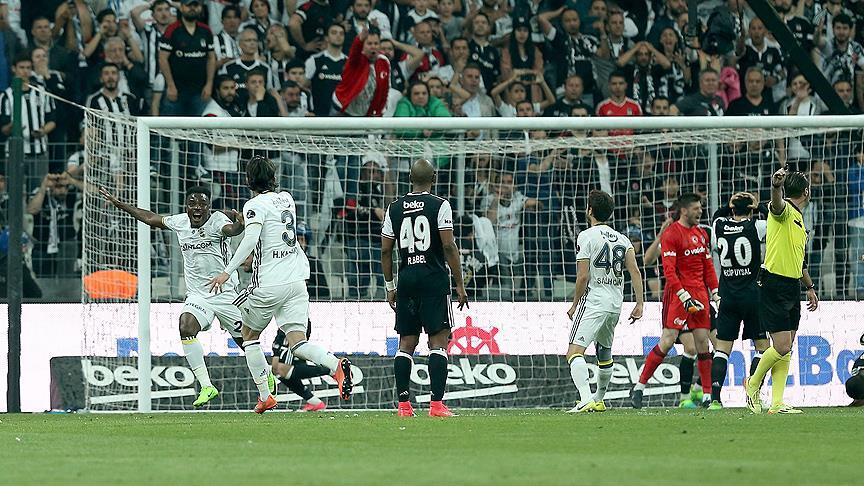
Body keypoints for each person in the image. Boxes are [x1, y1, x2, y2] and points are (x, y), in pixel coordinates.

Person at [208, 156, 352, 413]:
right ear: (274, 178)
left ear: (248, 180)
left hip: (269, 283)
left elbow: (250, 240)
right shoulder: (287, 199)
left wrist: (227, 272)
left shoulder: (253, 205)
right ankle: (335, 366)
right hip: (296, 281)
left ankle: (265, 396)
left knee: (248, 335)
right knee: (298, 343)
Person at [99, 185, 260, 408]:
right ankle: (207, 386)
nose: (197, 208)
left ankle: (266, 378)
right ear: (186, 207)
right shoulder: (180, 222)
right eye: (192, 204)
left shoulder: (217, 221)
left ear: (209, 207)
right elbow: (150, 218)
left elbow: (231, 230)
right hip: (198, 295)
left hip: (225, 293)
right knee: (186, 326)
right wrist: (120, 205)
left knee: (248, 342)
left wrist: (240, 225)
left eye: (202, 204)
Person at [381, 159, 469, 418]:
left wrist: (390, 286)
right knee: (438, 342)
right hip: (433, 280)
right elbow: (448, 245)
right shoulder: (440, 205)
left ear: (409, 178)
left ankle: (403, 405)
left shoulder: (394, 208)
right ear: (435, 178)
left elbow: (385, 250)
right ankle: (436, 405)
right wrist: (460, 283)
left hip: (407, 279)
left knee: (406, 343)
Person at [631, 193, 720, 409]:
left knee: (702, 343)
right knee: (668, 340)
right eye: (696, 208)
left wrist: (716, 293)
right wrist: (683, 296)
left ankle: (706, 395)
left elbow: (708, 268)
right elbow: (669, 271)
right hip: (677, 296)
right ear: (684, 210)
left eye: (701, 208)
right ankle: (640, 387)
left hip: (700, 295)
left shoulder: (701, 234)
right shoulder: (671, 234)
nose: (700, 211)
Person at [745, 168, 818, 414]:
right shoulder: (784, 210)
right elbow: (776, 205)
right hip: (774, 283)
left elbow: (800, 261)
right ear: (806, 192)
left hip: (792, 285)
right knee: (782, 346)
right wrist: (776, 187)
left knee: (787, 346)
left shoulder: (799, 220)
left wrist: (810, 287)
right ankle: (753, 384)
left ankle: (777, 403)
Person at [565, 190, 644, 413]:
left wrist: (574, 304)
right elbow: (635, 271)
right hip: (615, 303)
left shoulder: (586, 236)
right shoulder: (623, 239)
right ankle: (599, 399)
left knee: (574, 352)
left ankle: (585, 398)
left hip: (594, 300)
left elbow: (583, 276)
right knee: (604, 352)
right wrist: (640, 303)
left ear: (590, 210)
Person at [708, 192, 770, 410]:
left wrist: (730, 204)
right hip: (752, 297)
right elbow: (771, 218)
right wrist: (758, 205)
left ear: (732, 209)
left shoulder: (719, 227)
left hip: (728, 297)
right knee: (763, 348)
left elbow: (717, 215)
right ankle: (753, 393)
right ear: (750, 210)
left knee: (722, 350)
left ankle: (715, 399)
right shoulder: (756, 227)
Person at [158, 0, 215, 116]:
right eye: (189, 5)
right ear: (182, 7)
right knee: (170, 126)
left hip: (200, 92)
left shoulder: (206, 31)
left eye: (196, 5)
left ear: (200, 8)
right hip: (176, 91)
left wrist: (209, 84)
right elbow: (162, 59)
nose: (192, 8)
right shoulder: (172, 30)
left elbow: (211, 58)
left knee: (197, 127)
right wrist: (170, 85)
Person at [333, 28, 389, 117]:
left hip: (364, 112)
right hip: (342, 108)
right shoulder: (356, 60)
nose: (373, 47)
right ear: (363, 45)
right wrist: (359, 40)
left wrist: (379, 112)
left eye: (376, 43)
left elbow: (384, 90)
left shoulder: (384, 62)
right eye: (369, 43)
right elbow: (355, 51)